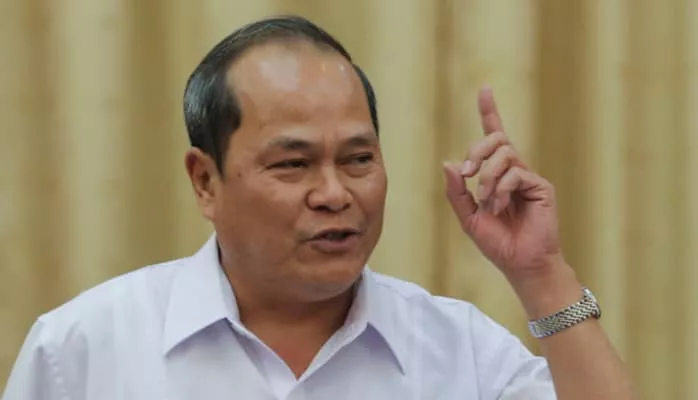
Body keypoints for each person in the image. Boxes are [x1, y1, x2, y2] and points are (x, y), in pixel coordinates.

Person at [2, 15, 636, 400]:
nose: (335, 194)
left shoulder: (461, 351)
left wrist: (541, 273)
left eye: (358, 159)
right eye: (293, 164)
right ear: (205, 181)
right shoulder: (83, 349)